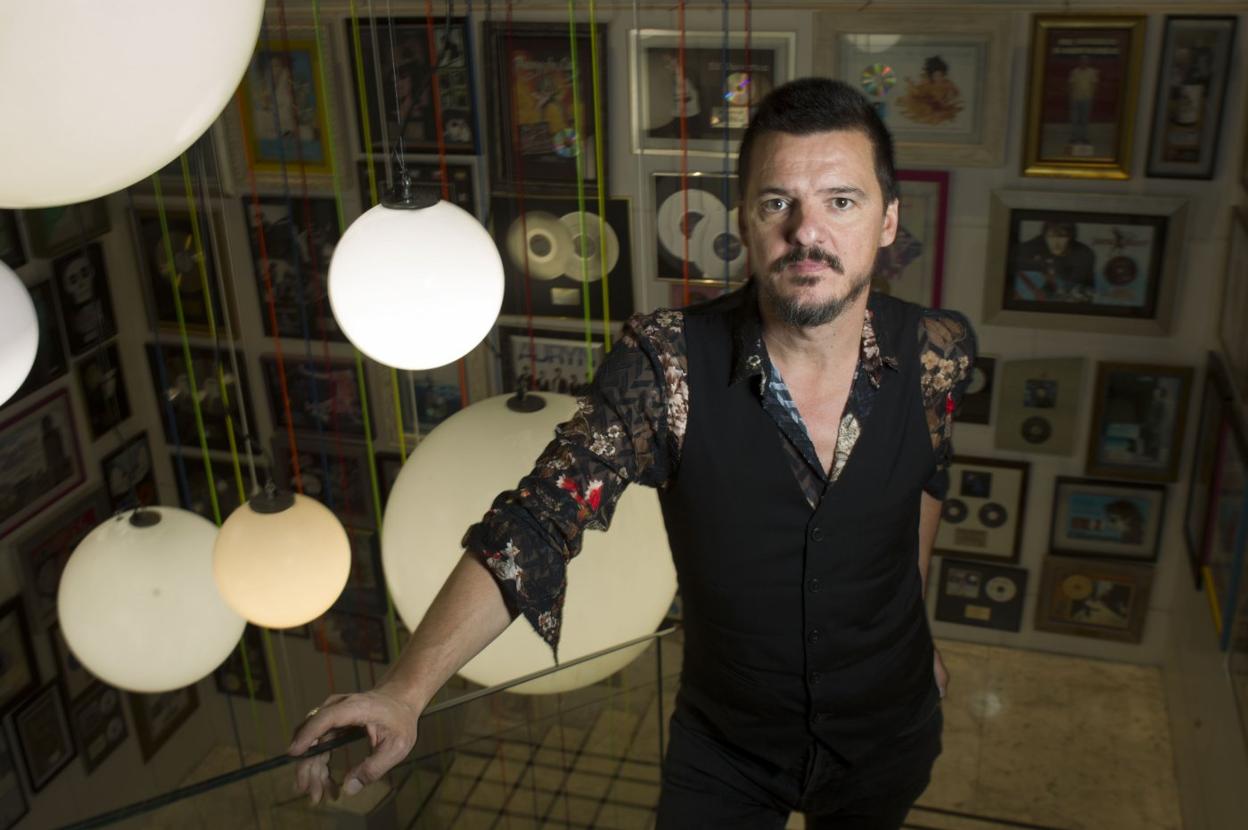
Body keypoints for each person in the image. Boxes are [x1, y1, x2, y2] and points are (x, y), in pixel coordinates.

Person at [290, 77, 976, 828]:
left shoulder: (937, 353)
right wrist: (405, 691)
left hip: (889, 728)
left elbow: (925, 481)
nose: (806, 232)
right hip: (728, 748)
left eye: (841, 201)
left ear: (887, 220)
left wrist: (918, 632)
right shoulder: (667, 364)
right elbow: (537, 521)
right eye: (777, 202)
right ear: (745, 222)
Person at [1010, 220, 1096, 302]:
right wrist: (1043, 265)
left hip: (1080, 292)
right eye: (1051, 236)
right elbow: (1013, 256)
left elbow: (1072, 284)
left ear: (1071, 237)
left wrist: (1050, 266)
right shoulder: (1042, 241)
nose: (1056, 242)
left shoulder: (1084, 254)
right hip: (1053, 287)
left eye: (1062, 236)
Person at [1067, 54, 1099, 146]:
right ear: (1079, 62)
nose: (1083, 62)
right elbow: (1071, 84)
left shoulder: (1092, 72)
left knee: (1085, 119)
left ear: (1088, 62)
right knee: (1075, 119)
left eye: (1085, 61)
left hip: (1087, 99)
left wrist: (1091, 95)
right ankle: (1074, 137)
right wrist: (1071, 96)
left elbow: (1094, 84)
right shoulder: (1074, 72)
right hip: (1075, 98)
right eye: (1082, 61)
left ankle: (1084, 137)